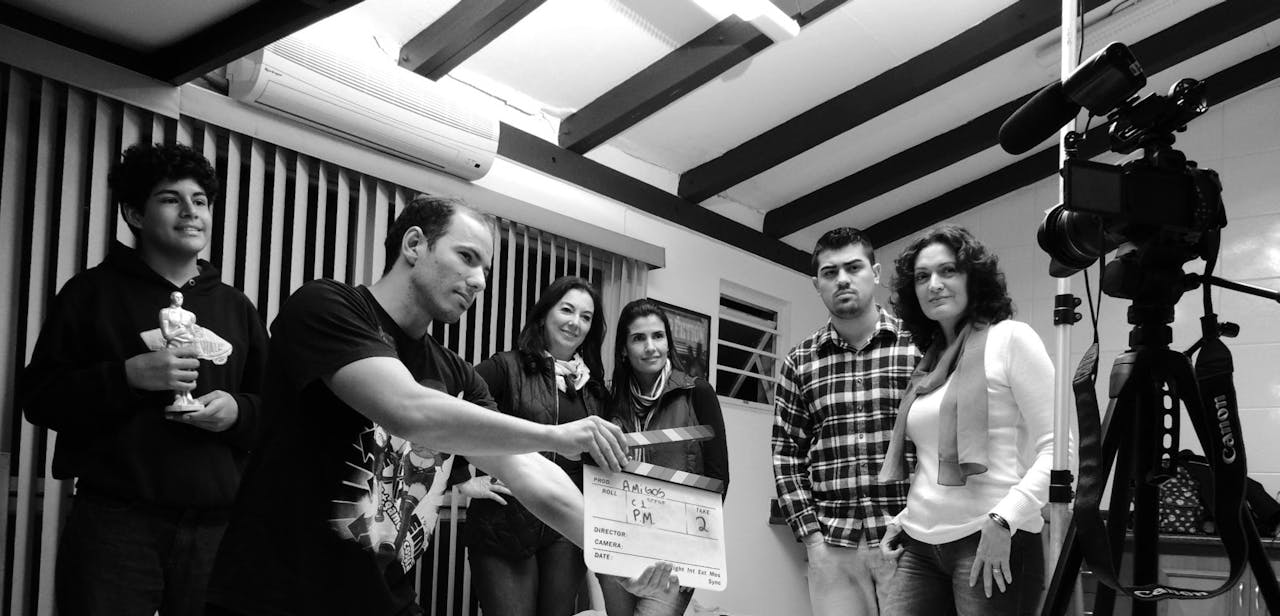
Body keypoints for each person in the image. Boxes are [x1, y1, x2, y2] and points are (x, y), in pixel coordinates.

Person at [206, 196, 675, 616]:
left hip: (386, 600)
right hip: (274, 596)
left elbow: (532, 472)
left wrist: (615, 554)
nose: (479, 281)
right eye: (467, 257)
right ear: (414, 244)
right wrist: (555, 434)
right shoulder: (328, 306)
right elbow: (406, 409)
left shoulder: (458, 376)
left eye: (485, 269)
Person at [19, 142, 269, 616]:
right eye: (171, 199)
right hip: (115, 523)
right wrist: (127, 377)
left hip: (217, 525)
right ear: (134, 214)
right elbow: (39, 398)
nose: (191, 212)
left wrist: (239, 413)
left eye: (200, 201)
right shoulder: (89, 293)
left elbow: (275, 408)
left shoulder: (236, 307)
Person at [877, 225, 1054, 616]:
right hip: (921, 544)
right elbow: (929, 462)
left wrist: (1004, 519)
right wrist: (903, 520)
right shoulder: (930, 363)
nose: (934, 284)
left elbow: (1059, 451)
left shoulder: (1011, 339)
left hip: (992, 537)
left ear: (973, 278)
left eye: (948, 271)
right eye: (922, 276)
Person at [772, 227, 920, 616]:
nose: (842, 279)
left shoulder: (918, 347)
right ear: (817, 284)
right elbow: (786, 455)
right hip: (833, 546)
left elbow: (937, 445)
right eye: (829, 272)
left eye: (853, 267)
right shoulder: (799, 362)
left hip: (909, 541)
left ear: (875, 273)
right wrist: (812, 540)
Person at [458, 275, 609, 616]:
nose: (575, 322)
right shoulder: (506, 367)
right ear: (544, 315)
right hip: (504, 525)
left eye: (586, 317)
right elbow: (452, 408)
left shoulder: (594, 390)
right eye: (567, 310)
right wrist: (462, 480)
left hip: (564, 533)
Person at [596, 298, 730, 616]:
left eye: (658, 336)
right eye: (638, 338)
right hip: (620, 545)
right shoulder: (608, 400)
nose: (650, 347)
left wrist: (688, 544)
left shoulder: (697, 392)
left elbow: (719, 476)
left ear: (669, 343)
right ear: (624, 349)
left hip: (674, 552)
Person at [161, 291, 204, 410]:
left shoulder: (189, 315)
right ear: (172, 298)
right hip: (174, 345)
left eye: (181, 297)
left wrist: (194, 339)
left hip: (188, 344)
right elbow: (167, 335)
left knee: (188, 372)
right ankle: (178, 397)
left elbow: (193, 332)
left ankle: (188, 396)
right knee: (176, 372)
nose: (179, 299)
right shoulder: (165, 312)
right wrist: (180, 331)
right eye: (176, 297)